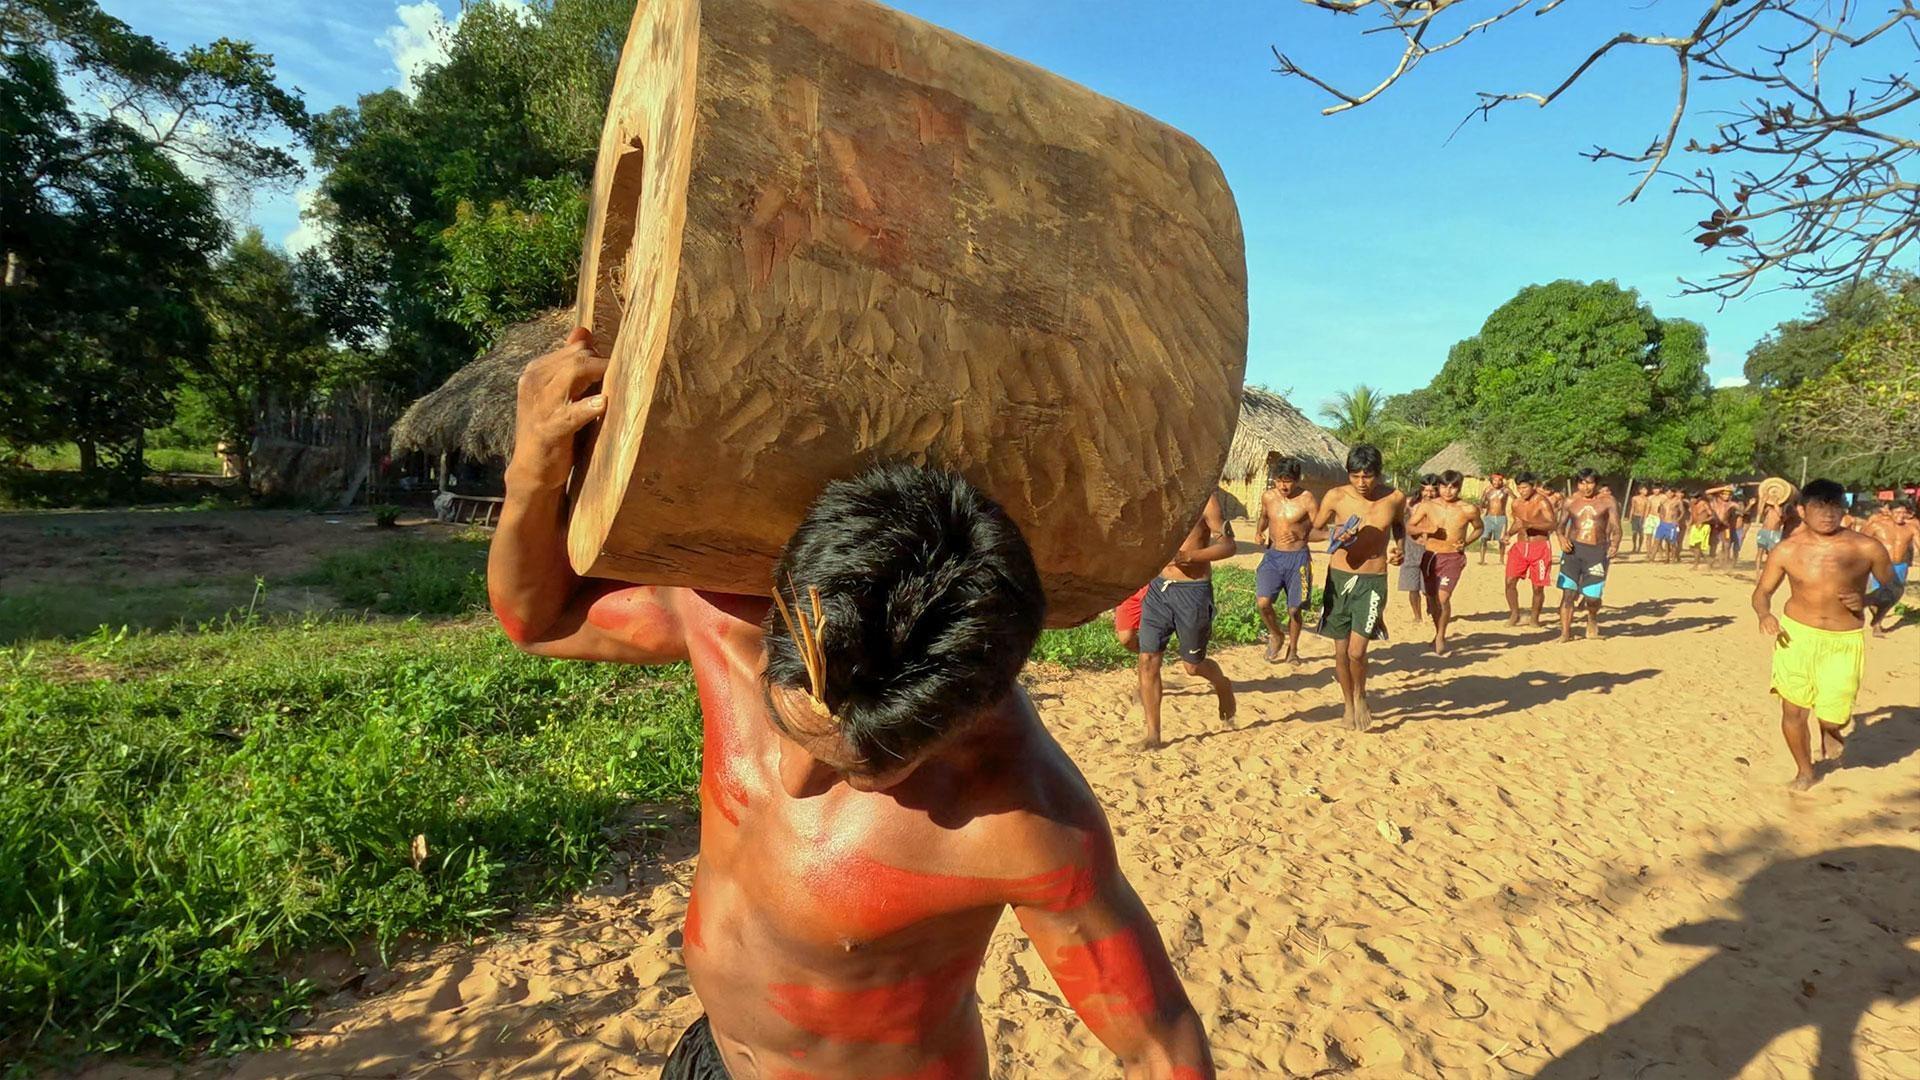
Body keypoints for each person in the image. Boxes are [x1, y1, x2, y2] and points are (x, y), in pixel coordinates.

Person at [491, 330, 1216, 1079]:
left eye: (861, 770)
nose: (796, 778)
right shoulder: (722, 622)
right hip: (712, 1060)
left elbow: (1159, 1045)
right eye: (788, 723)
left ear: (957, 726)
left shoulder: (1023, 820)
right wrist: (534, 464)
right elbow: (537, 620)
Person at [1751, 480, 1899, 790]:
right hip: (1796, 637)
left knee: (1835, 716)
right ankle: (1805, 771)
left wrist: (1868, 600)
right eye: (1819, 506)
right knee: (1793, 710)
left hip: (1843, 640)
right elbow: (1762, 592)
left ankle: (1829, 729)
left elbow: (1893, 588)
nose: (1827, 514)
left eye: (1834, 506)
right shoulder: (1787, 550)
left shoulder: (1866, 547)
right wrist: (1765, 614)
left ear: (1844, 509)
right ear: (1801, 510)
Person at [1311, 444, 1406, 732]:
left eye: (1368, 476)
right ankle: (1348, 705)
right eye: (1355, 476)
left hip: (1373, 580)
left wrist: (1400, 548)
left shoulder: (1395, 498)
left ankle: (1360, 695)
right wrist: (1336, 533)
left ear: (1378, 473)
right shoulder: (1336, 496)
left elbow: (1399, 525)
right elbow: (1313, 530)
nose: (1361, 482)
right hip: (1339, 580)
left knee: (1356, 652)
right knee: (1341, 652)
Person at [1136, 493, 1238, 748]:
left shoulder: (1205, 500)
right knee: (1147, 660)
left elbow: (1229, 546)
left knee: (1193, 667)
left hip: (1193, 591)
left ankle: (1222, 684)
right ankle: (1153, 734)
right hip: (1158, 589)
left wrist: (1189, 557)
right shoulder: (1154, 494)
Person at [1406, 469, 1484, 655]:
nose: (1448, 491)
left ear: (1459, 488)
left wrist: (1466, 542)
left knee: (1443, 597)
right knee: (1432, 600)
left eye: (1453, 487)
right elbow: (1410, 527)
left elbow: (1479, 528)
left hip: (1452, 557)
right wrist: (1427, 529)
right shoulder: (1427, 506)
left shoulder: (1468, 509)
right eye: (1444, 486)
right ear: (1439, 487)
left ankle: (1441, 635)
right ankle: (1437, 631)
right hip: (1430, 556)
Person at [1253, 458, 1319, 664]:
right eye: (1279, 480)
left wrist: (1301, 536)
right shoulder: (1268, 496)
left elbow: (1321, 530)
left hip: (1298, 560)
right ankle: (1277, 635)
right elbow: (1264, 517)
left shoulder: (1307, 499)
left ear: (1297, 480)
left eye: (1288, 481)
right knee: (1263, 603)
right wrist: (1259, 532)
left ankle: (1293, 650)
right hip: (1273, 557)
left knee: (1294, 609)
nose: (1283, 486)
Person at [1556, 469, 1620, 642]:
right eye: (1582, 483)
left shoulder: (1607, 501)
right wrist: (1561, 539)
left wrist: (1615, 544)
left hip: (1597, 551)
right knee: (1568, 593)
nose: (1586, 487)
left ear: (1596, 484)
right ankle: (1565, 633)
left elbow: (1616, 527)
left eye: (1590, 483)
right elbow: (1560, 526)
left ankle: (1592, 618)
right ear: (1577, 484)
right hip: (1573, 550)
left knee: (1592, 597)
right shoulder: (1570, 501)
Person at [1503, 472, 1556, 627]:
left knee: (1537, 586)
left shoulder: (1542, 502)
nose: (1522, 491)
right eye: (1519, 488)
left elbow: (1552, 524)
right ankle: (1514, 613)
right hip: (1520, 547)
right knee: (1509, 581)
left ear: (1533, 486)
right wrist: (1509, 534)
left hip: (1539, 547)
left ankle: (1534, 618)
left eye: (1525, 488)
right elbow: (1518, 523)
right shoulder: (1516, 503)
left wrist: (1531, 525)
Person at [1865, 501, 1917, 636]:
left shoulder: (1911, 528)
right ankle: (1877, 624)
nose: (1901, 515)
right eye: (1897, 512)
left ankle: (1877, 619)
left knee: (1893, 596)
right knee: (1878, 594)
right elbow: (1861, 541)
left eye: (1903, 512)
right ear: (1889, 512)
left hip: (1900, 566)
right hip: (1880, 564)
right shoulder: (1876, 525)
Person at [1400, 475, 1439, 626]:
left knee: (1429, 586)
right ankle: (1417, 616)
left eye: (1432, 491)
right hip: (1411, 547)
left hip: (1431, 547)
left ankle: (1432, 609)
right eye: (1426, 490)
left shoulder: (1441, 507)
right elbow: (1399, 520)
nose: (1429, 494)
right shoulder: (1410, 503)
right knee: (1413, 586)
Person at [1479, 472, 1511, 565]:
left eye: (1499, 480)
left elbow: (1516, 500)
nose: (1497, 482)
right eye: (1495, 480)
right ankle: (1482, 559)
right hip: (1488, 517)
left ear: (1502, 481)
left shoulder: (1505, 490)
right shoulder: (1488, 490)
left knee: (1501, 540)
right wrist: (1484, 498)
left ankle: (1501, 560)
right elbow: (1482, 503)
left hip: (1501, 517)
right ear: (1491, 481)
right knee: (1484, 538)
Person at [1654, 485, 1685, 563]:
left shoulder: (1678, 501)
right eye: (1667, 493)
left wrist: (1677, 520)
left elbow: (1682, 512)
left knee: (1672, 542)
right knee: (1665, 541)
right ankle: (1667, 558)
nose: (1669, 494)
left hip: (1672, 524)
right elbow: (1660, 511)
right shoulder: (1663, 501)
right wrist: (1661, 519)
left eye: (1671, 493)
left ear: (1673, 493)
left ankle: (1673, 558)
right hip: (1664, 523)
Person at [1684, 491, 1715, 568]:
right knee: (1692, 547)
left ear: (1699, 498)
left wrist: (1703, 521)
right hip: (1695, 526)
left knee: (1698, 546)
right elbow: (1692, 515)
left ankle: (1696, 565)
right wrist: (1689, 525)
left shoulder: (1704, 504)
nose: (1692, 499)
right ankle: (1708, 560)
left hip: (1704, 526)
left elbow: (1712, 516)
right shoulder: (1692, 504)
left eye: (1694, 498)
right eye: (1691, 498)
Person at [1628, 486, 1649, 555]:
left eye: (1646, 490)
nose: (1646, 491)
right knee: (1634, 533)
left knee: (1641, 534)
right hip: (1635, 516)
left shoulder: (1647, 500)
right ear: (1640, 491)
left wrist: (1645, 519)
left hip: (1642, 517)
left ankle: (1639, 548)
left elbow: (1646, 510)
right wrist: (1630, 517)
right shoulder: (1635, 498)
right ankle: (1634, 546)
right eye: (1644, 490)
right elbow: (1632, 507)